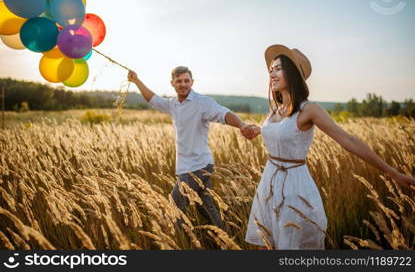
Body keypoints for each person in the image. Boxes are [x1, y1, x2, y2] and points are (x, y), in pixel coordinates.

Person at [243, 44, 415, 249]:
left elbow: (348, 140)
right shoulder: (276, 110)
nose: (271, 73)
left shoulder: (309, 109)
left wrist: (392, 172)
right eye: (271, 69)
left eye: (278, 68)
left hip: (294, 189)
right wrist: (259, 129)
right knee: (265, 245)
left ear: (293, 74)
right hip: (269, 184)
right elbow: (282, 134)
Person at [127, 66, 256, 231]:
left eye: (186, 81)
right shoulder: (173, 104)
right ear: (172, 83)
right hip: (188, 167)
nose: (183, 84)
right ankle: (224, 242)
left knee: (174, 208)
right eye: (179, 81)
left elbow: (223, 114)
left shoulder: (201, 102)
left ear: (192, 82)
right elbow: (152, 99)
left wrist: (242, 125)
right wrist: (136, 81)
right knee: (208, 212)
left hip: (198, 166)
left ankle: (176, 242)